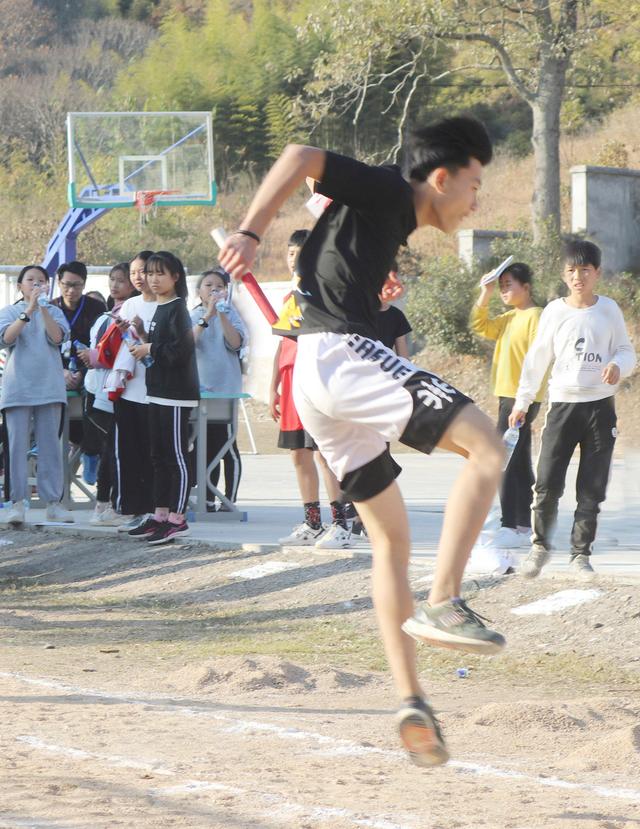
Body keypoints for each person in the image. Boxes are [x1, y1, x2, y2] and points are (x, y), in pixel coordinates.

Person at [220, 117, 507, 767]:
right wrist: (248, 231)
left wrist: (368, 287)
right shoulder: (385, 189)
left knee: (389, 538)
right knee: (489, 447)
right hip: (342, 358)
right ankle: (445, 600)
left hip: (316, 385)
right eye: (475, 184)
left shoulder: (387, 220)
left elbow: (330, 253)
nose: (477, 201)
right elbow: (299, 154)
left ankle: (411, 699)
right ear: (441, 178)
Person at [510, 240, 636, 578]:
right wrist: (522, 401)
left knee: (591, 488)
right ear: (564, 275)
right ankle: (539, 548)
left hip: (599, 409)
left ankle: (581, 555)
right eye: (571, 270)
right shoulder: (554, 311)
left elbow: (627, 351)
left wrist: (617, 366)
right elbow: (537, 359)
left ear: (596, 273)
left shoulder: (608, 310)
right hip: (563, 406)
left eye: (585, 270)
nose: (578, 276)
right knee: (548, 484)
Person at [270, 230, 352, 550]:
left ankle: (342, 523)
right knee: (299, 454)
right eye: (290, 253)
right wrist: (273, 386)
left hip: (315, 379)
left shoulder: (323, 293)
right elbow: (283, 343)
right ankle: (313, 522)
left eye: (301, 253)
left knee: (324, 454)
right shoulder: (289, 297)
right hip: (291, 382)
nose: (294, 259)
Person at [127, 251, 199, 546]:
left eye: (160, 274)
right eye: (149, 273)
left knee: (176, 457)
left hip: (175, 394)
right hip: (156, 392)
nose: (152, 279)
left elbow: (179, 353)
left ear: (175, 277)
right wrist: (143, 336)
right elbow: (162, 348)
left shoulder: (179, 309)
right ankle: (159, 514)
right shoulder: (159, 307)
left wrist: (150, 348)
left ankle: (177, 518)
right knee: (158, 456)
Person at [470, 262, 543, 549]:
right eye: (501, 286)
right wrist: (485, 294)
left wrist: (523, 402)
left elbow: (538, 362)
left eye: (508, 285)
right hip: (509, 398)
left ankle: (510, 525)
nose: (504, 291)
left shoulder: (536, 316)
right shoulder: (510, 317)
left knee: (505, 460)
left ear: (527, 287)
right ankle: (525, 525)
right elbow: (481, 325)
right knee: (520, 462)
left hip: (521, 399)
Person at [0, 266, 74, 525]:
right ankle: (16, 503)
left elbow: (57, 338)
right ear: (20, 285)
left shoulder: (54, 312)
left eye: (41, 281)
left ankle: (53, 502)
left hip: (50, 388)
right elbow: (6, 339)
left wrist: (42, 309)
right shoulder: (9, 312)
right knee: (16, 447)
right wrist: (28, 311)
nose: (36, 284)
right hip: (17, 389)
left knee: (51, 447)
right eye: (30, 280)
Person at [78, 263, 137, 526]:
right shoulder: (107, 318)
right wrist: (93, 357)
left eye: (121, 280)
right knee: (112, 450)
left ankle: (108, 505)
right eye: (112, 280)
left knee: (116, 449)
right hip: (101, 393)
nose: (115, 285)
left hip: (117, 393)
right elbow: (103, 356)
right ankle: (105, 505)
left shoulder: (130, 314)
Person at [191, 266, 246, 510]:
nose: (214, 290)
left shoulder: (232, 315)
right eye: (208, 285)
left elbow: (235, 343)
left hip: (226, 391)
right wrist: (208, 316)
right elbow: (187, 343)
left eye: (219, 286)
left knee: (227, 445)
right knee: (201, 445)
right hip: (199, 391)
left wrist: (222, 314)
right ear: (199, 292)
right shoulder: (192, 316)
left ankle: (229, 499)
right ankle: (206, 497)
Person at [111, 250, 157, 532]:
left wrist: (142, 335)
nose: (139, 278)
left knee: (154, 453)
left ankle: (156, 510)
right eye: (135, 273)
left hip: (155, 392)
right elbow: (124, 346)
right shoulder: (128, 305)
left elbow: (163, 348)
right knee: (129, 453)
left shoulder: (170, 306)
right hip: (128, 389)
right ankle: (132, 509)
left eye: (146, 272)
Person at [53, 260, 106, 485]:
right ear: (58, 283)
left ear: (84, 284)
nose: (71, 290)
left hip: (87, 372)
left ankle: (91, 452)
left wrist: (82, 374)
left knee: (94, 400)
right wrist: (61, 371)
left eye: (76, 285)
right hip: (56, 371)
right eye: (66, 284)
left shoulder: (96, 309)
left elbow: (102, 346)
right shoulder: (51, 308)